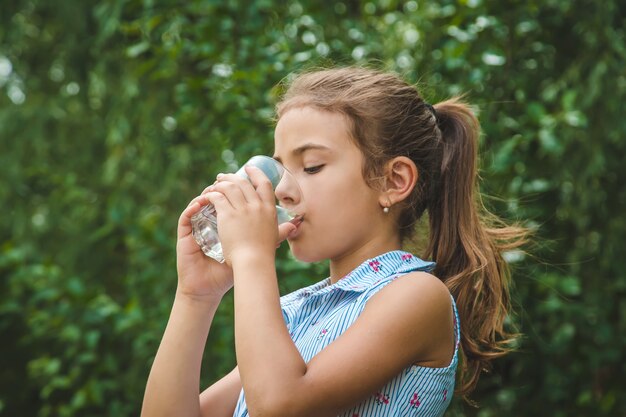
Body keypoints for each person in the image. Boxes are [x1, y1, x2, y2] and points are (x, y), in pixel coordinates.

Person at [140, 67, 527, 417]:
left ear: (394, 182)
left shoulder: (416, 296)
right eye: (280, 169)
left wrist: (252, 256)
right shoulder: (293, 314)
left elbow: (280, 404)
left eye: (311, 167)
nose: (283, 192)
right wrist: (196, 297)